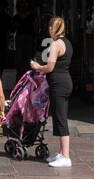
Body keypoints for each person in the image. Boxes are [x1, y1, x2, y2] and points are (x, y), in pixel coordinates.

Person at [29, 16, 73, 168]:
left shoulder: (55, 44)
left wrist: (36, 67)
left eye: (50, 27)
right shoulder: (67, 43)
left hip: (58, 84)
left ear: (53, 29)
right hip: (65, 81)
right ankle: (61, 153)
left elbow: (49, 67)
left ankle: (66, 156)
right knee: (60, 117)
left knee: (61, 118)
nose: (48, 30)